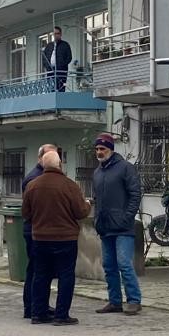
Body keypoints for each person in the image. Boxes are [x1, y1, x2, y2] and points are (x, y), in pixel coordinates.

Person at [22, 148, 90, 325]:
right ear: (60, 164)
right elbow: (80, 212)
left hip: (40, 238)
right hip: (65, 238)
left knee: (40, 274)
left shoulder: (32, 185)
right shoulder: (69, 185)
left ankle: (38, 313)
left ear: (43, 164)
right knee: (66, 275)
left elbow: (26, 213)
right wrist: (88, 205)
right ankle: (61, 315)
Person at [91, 133, 143, 315]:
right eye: (97, 149)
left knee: (124, 264)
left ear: (111, 149)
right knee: (109, 265)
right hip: (105, 227)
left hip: (123, 227)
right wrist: (96, 219)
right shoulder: (97, 172)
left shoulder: (125, 168)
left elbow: (135, 195)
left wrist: (126, 218)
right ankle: (114, 301)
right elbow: (97, 199)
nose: (99, 152)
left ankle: (134, 300)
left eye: (102, 149)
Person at [20, 143, 59, 319]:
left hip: (40, 229)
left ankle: (39, 305)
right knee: (37, 271)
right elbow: (31, 210)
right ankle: (33, 307)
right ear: (40, 158)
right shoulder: (34, 179)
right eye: (49, 156)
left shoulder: (42, 176)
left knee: (41, 271)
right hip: (36, 231)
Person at [42, 27, 72, 92]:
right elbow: (44, 58)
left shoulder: (65, 45)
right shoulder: (49, 45)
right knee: (51, 88)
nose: (56, 35)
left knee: (60, 88)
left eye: (57, 33)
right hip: (50, 71)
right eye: (54, 34)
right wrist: (47, 67)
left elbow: (69, 57)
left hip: (61, 71)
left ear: (60, 34)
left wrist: (62, 65)